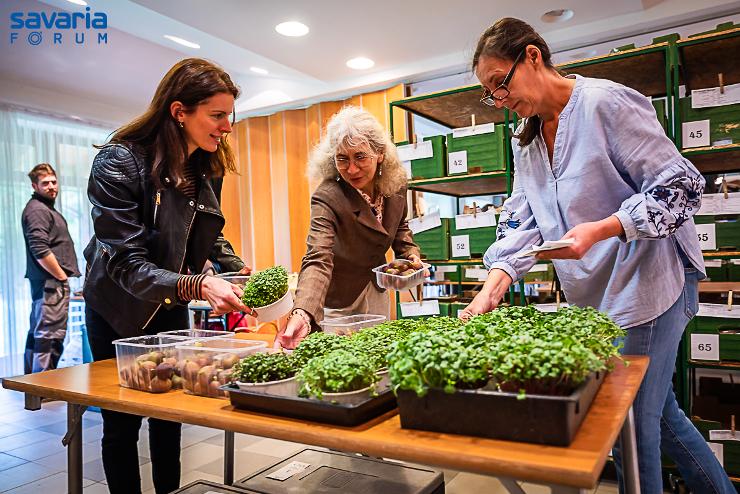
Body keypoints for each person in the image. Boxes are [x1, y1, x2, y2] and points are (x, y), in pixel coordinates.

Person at [462, 17, 734, 494]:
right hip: (595, 295)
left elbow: (682, 184)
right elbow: (522, 219)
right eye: (491, 94)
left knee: (628, 425)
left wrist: (607, 227)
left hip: (649, 284)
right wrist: (492, 286)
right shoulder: (525, 140)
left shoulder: (604, 103)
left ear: (532, 56)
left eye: (499, 84)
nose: (500, 100)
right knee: (660, 414)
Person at [84, 58, 251, 494]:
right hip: (118, 309)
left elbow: (206, 232)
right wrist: (198, 284)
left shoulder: (205, 164)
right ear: (180, 111)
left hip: (169, 301)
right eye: (217, 115)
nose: (227, 126)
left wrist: (235, 270)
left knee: (169, 417)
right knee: (121, 424)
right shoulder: (118, 162)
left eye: (229, 115)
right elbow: (125, 264)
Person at [276, 106, 422, 349]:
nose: (351, 169)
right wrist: (301, 313)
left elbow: (399, 228)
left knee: (376, 353)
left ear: (380, 154)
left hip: (375, 291)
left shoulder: (396, 186)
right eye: (342, 159)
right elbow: (317, 257)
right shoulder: (327, 196)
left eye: (360, 157)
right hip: (338, 299)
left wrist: (410, 255)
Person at [21, 163, 81, 373]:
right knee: (49, 336)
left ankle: (32, 384)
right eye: (45, 183)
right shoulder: (37, 210)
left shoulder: (43, 208)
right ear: (34, 186)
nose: (51, 186)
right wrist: (62, 276)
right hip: (51, 284)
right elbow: (39, 248)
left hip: (48, 284)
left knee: (41, 334)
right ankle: (41, 387)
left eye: (54, 181)